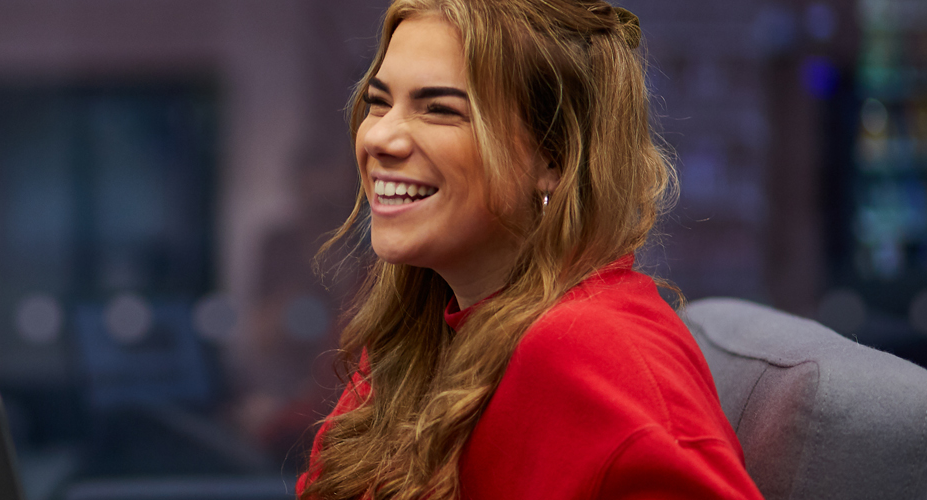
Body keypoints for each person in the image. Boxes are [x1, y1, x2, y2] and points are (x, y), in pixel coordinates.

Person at [297, 1, 764, 499]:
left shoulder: (596, 352)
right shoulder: (422, 329)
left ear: (555, 157)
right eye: (379, 102)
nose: (381, 137)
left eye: (440, 110)